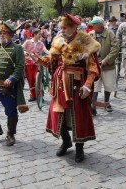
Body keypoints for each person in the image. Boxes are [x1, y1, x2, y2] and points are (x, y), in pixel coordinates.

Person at [39, 14, 100, 163]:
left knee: (78, 117)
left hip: (77, 85)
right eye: (61, 27)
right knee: (58, 114)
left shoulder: (85, 42)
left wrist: (87, 85)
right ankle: (66, 141)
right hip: (59, 84)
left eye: (65, 27)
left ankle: (80, 149)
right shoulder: (58, 41)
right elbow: (52, 62)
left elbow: (93, 68)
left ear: (74, 28)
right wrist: (40, 59)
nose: (62, 30)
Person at [89, 16, 119, 113]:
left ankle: (107, 103)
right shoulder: (90, 35)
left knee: (108, 84)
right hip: (94, 64)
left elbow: (115, 49)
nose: (93, 26)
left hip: (107, 64)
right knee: (94, 85)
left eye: (95, 24)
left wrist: (106, 60)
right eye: (93, 24)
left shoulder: (110, 34)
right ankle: (93, 104)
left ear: (100, 25)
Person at [22, 29, 49, 102]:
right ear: (34, 34)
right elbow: (21, 48)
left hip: (38, 63)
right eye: (39, 34)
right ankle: (33, 95)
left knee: (38, 79)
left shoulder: (41, 43)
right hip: (28, 62)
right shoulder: (28, 42)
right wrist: (25, 52)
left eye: (40, 34)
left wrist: (51, 53)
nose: (40, 36)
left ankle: (40, 95)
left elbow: (45, 50)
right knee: (30, 80)